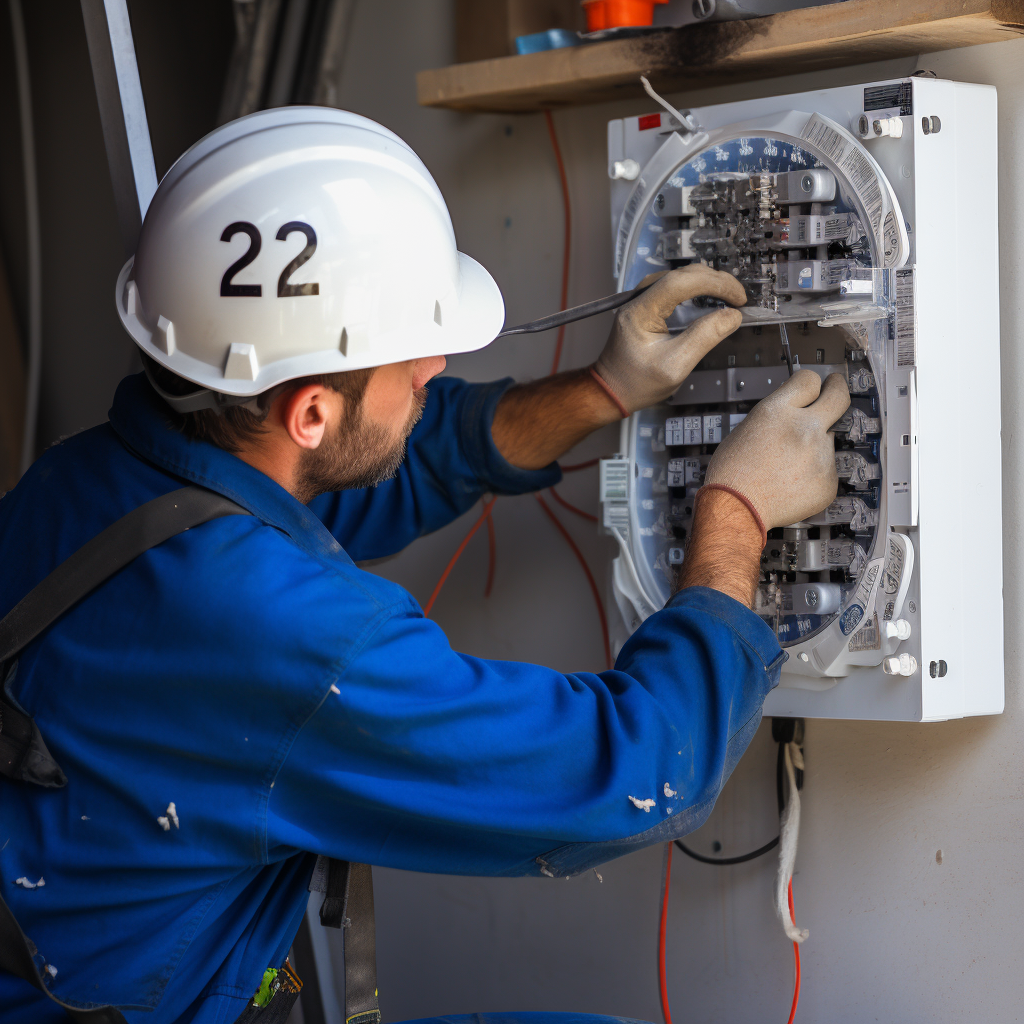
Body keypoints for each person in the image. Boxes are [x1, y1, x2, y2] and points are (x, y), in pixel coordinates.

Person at [0, 109, 849, 1024]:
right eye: (408, 358)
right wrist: (738, 511)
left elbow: (353, 478)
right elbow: (634, 772)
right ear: (312, 413)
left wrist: (603, 391)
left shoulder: (84, 482)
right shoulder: (296, 641)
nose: (434, 365)